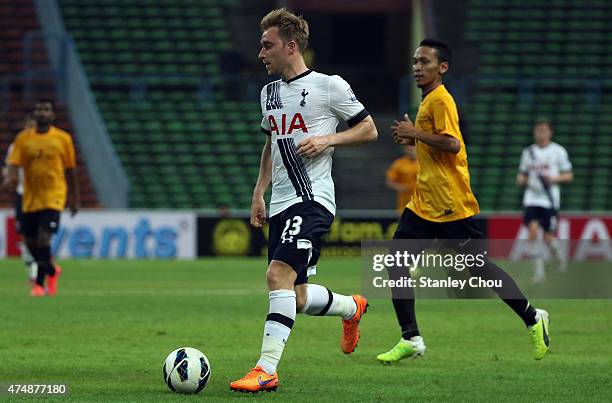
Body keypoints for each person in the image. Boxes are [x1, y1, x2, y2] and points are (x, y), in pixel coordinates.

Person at [230, 8, 378, 393]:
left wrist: (328, 139)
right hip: (278, 203)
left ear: (290, 46)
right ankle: (352, 307)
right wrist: (258, 192)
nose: (261, 53)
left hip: (311, 199)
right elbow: (271, 144)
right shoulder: (269, 93)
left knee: (276, 274)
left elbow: (368, 129)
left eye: (267, 45)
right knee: (292, 296)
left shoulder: (329, 86)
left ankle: (266, 369)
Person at [377, 39, 550, 364]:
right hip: (424, 203)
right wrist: (414, 138)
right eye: (415, 61)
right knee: (396, 262)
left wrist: (415, 134)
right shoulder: (428, 100)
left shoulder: (441, 100)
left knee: (479, 269)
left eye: (425, 62)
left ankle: (532, 317)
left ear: (442, 67)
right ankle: (411, 337)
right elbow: (435, 145)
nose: (417, 67)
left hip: (450, 205)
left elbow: (453, 144)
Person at [4, 99, 80, 296]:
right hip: (29, 196)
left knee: (44, 239)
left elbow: (71, 169)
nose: (43, 113)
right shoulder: (23, 139)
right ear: (35, 114)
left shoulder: (63, 139)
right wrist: (11, 177)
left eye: (46, 109)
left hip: (54, 195)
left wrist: (74, 197)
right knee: (30, 242)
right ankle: (52, 271)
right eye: (39, 109)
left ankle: (39, 284)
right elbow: (13, 163)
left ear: (52, 114)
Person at [516, 120, 573, 282]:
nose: (540, 133)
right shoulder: (528, 152)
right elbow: (522, 174)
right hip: (532, 198)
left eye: (543, 130)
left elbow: (569, 175)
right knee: (533, 232)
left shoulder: (558, 151)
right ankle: (539, 271)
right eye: (537, 130)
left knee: (548, 237)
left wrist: (553, 179)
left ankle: (560, 258)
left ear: (550, 132)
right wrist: (521, 180)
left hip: (549, 199)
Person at [2, 113, 37, 282]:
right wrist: (8, 177)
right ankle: (32, 267)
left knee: (40, 235)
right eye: (29, 126)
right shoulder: (15, 147)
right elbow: (9, 168)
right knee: (24, 234)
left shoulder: (43, 148)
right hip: (22, 195)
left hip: (42, 196)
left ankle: (39, 267)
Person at [385, 144, 418, 215]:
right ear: (405, 149)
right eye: (409, 148)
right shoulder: (399, 164)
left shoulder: (424, 162)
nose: (411, 150)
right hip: (405, 203)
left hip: (422, 202)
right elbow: (389, 181)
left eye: (413, 148)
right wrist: (400, 187)